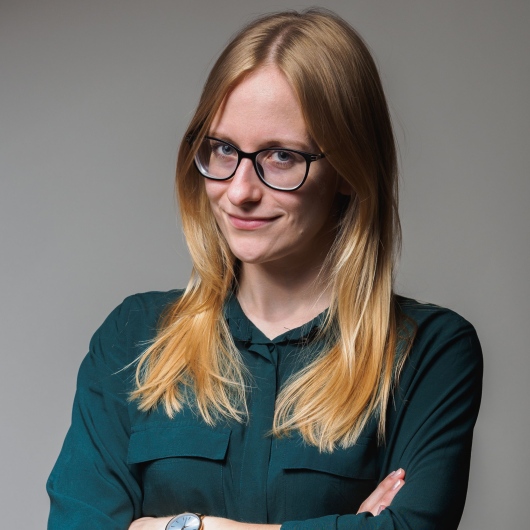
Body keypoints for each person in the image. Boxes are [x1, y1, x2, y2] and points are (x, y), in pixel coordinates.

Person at [47, 8, 482, 530]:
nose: (239, 191)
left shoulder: (428, 352)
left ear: (350, 168)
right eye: (222, 149)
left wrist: (180, 527)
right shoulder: (132, 337)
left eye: (281, 156)